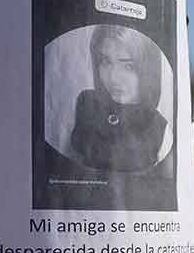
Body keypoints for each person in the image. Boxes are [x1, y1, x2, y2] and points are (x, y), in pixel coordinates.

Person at [70, 24, 171, 172]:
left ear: (148, 70)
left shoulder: (160, 128)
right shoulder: (86, 102)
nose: (113, 77)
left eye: (128, 66)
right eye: (106, 61)